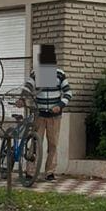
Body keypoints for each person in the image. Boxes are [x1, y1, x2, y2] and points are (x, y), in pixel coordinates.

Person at [21, 44, 71, 183]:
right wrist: (22, 98)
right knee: (35, 143)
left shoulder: (60, 74)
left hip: (54, 116)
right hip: (39, 114)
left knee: (53, 144)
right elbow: (28, 86)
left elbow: (68, 92)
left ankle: (50, 172)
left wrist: (60, 105)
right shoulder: (36, 73)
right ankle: (30, 172)